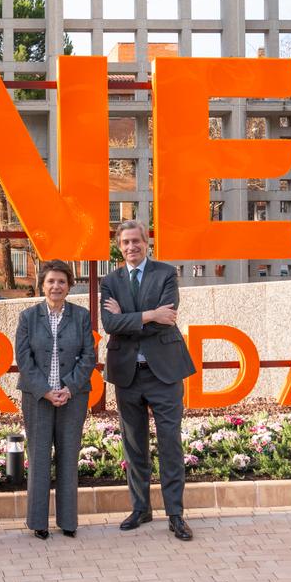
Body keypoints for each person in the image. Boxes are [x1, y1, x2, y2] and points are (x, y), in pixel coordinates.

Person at [99, 220, 197, 541]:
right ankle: (141, 509)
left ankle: (175, 514)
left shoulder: (165, 273)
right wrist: (150, 314)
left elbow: (168, 317)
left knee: (170, 443)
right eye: (125, 242)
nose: (131, 247)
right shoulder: (110, 281)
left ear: (146, 242)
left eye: (136, 241)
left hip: (164, 373)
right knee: (134, 446)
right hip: (127, 375)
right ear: (119, 245)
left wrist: (136, 319)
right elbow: (110, 322)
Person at [14, 260, 96, 540]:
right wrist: (46, 390)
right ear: (42, 285)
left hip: (73, 397)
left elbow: (88, 356)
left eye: (61, 281)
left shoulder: (82, 316)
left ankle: (68, 520)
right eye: (51, 281)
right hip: (37, 397)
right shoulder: (28, 317)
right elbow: (24, 359)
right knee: (38, 457)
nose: (56, 286)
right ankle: (39, 521)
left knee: (68, 455)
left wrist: (69, 387)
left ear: (69, 286)